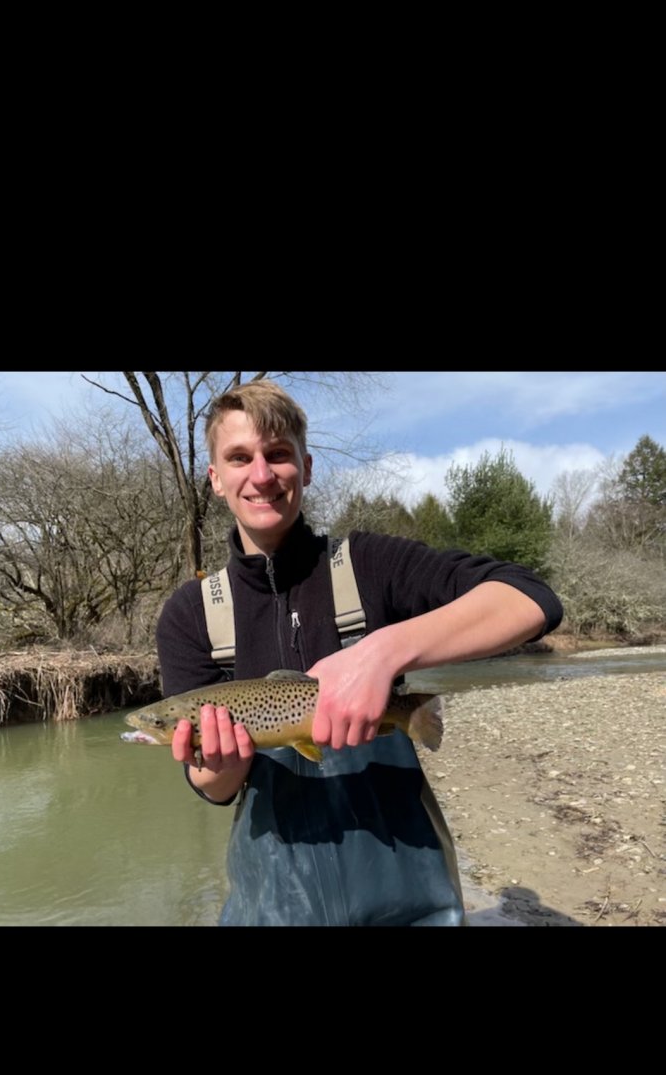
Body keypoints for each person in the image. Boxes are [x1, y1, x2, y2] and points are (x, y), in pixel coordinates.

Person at [156, 380, 563, 926]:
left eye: (278, 454)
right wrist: (220, 765)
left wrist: (383, 651)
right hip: (272, 907)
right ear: (214, 478)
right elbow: (213, 789)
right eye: (239, 458)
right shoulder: (191, 615)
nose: (261, 475)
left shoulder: (369, 565)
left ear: (306, 467)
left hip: (410, 897)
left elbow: (530, 599)